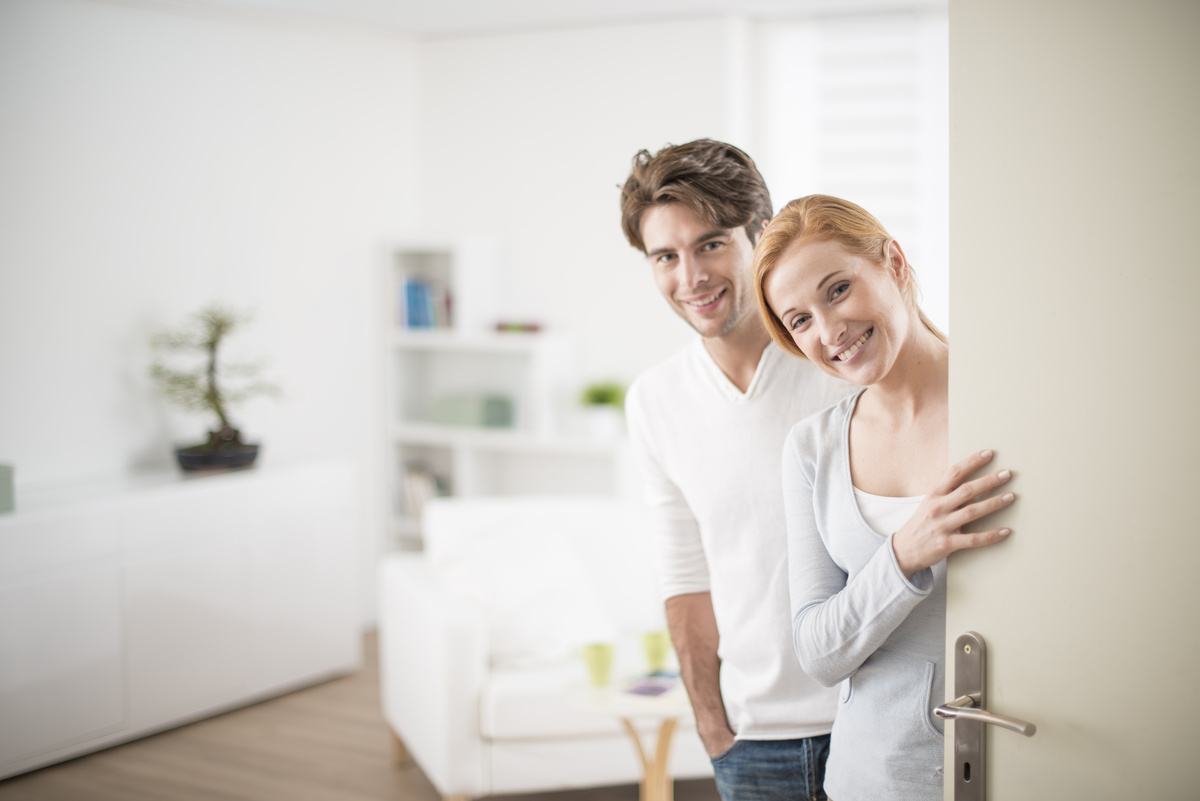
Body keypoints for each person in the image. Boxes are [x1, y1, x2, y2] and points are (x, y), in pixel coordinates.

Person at [753, 194, 1016, 800]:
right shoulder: (812, 449)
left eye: (837, 290)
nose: (829, 331)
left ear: (893, 262)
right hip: (873, 781)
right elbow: (818, 650)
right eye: (799, 320)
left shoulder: (1009, 400)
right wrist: (902, 555)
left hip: (1023, 764)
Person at [620, 141, 855, 801]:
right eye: (665, 256)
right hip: (750, 742)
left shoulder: (839, 364)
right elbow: (686, 571)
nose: (690, 275)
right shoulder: (656, 399)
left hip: (868, 719)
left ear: (759, 235)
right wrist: (709, 718)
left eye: (711, 243)